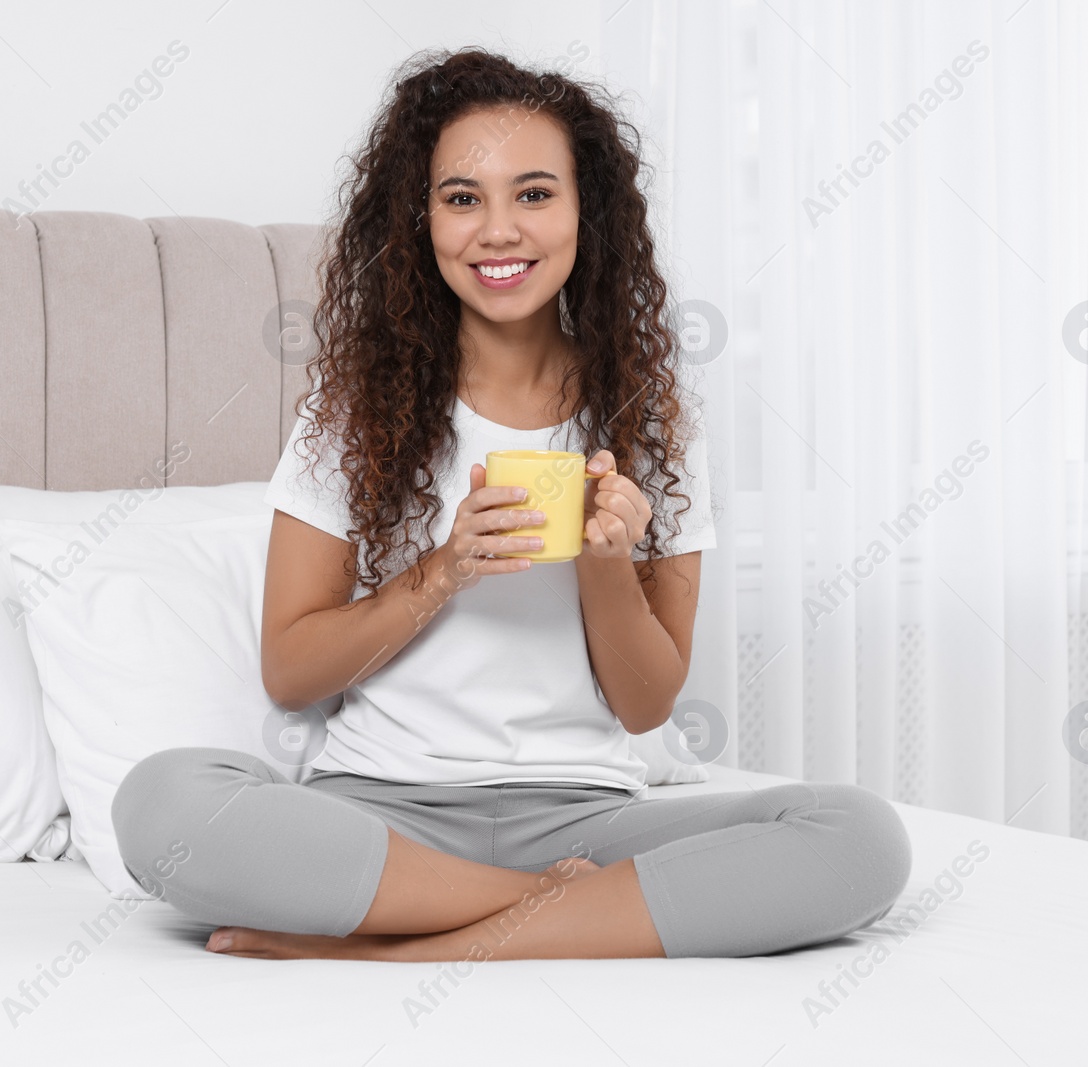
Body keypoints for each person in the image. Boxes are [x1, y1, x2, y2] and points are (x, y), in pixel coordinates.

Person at [111, 46, 910, 961]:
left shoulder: (654, 421)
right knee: (162, 802)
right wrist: (443, 571)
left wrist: (607, 565)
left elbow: (647, 706)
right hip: (379, 818)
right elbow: (292, 670)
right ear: (421, 222)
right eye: (462, 198)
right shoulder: (353, 414)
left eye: (534, 194)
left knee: (857, 835)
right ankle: (550, 909)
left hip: (585, 819)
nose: (499, 230)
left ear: (585, 214)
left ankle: (402, 948)